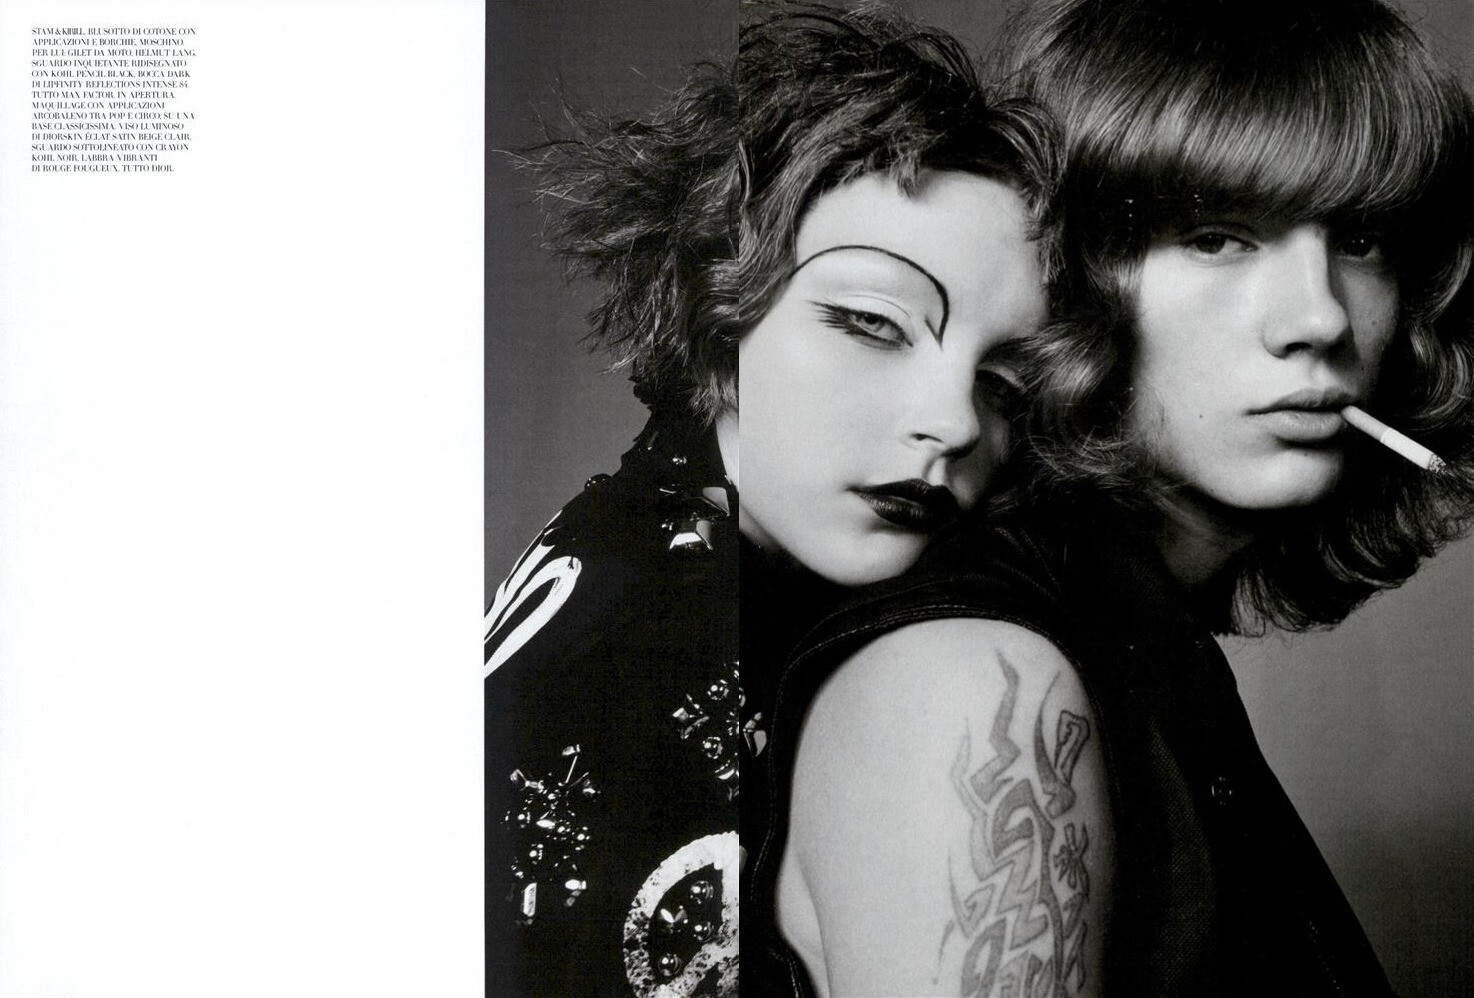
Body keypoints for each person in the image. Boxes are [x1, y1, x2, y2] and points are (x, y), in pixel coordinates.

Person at [745, 0, 1474, 995]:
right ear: (1064, 272)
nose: (1318, 318)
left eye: (1362, 237)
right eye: (1216, 237)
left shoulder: (1135, 643)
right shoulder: (978, 682)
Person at [484, 5, 1056, 995]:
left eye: (1003, 381)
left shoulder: (657, 547)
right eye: (872, 324)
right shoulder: (654, 643)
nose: (956, 421)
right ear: (720, 315)